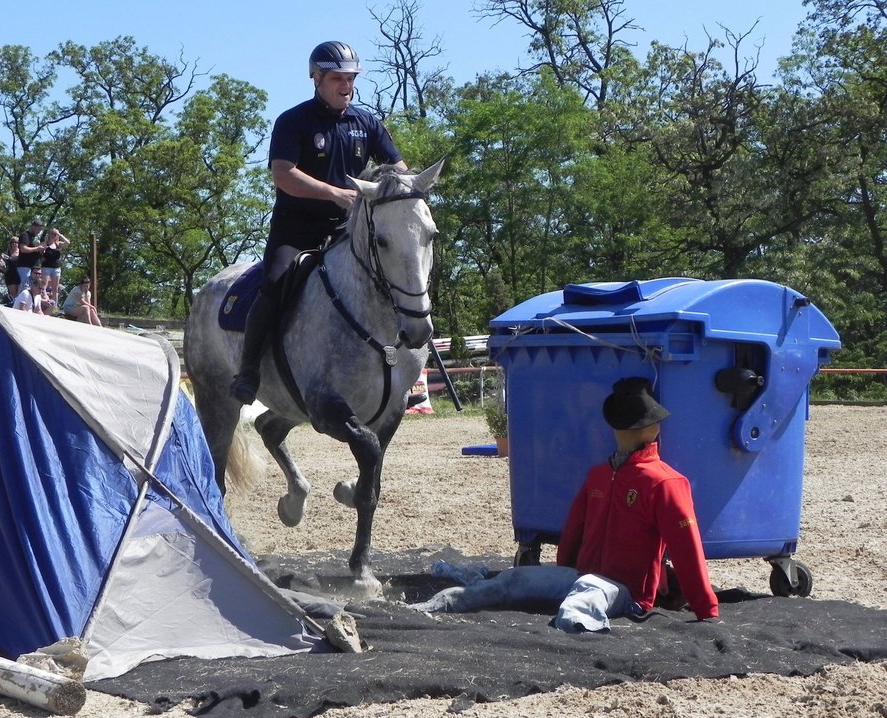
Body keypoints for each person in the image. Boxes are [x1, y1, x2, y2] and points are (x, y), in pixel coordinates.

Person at [410, 377, 719, 632]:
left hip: (625, 592)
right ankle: (432, 607)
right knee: (511, 581)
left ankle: (561, 643)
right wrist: (562, 571)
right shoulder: (600, 476)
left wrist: (706, 608)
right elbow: (574, 529)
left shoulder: (664, 483)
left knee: (580, 604)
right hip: (579, 575)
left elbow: (686, 547)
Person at [229, 40, 407, 405]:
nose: (347, 85)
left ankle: (402, 360)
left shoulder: (367, 122)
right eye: (338, 78)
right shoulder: (293, 121)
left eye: (351, 78)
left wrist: (402, 191)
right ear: (317, 78)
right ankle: (248, 371)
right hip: (297, 232)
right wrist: (334, 193)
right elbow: (283, 175)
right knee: (274, 284)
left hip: (348, 232)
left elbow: (398, 169)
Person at [41, 227, 70, 298]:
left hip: (56, 268)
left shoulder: (58, 244)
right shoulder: (45, 244)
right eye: (52, 234)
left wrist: (59, 234)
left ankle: (54, 306)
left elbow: (67, 243)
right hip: (46, 267)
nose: (53, 235)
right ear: (49, 234)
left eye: (55, 234)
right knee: (43, 287)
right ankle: (43, 302)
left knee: (55, 289)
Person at [16, 219, 45, 285]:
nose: (39, 231)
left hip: (33, 267)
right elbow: (23, 249)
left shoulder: (35, 238)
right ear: (34, 227)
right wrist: (37, 248)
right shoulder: (25, 235)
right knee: (24, 286)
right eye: (38, 229)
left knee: (32, 287)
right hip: (24, 266)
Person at [1, 236, 22, 302]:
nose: (14, 244)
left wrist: (9, 258)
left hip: (19, 273)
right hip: (10, 273)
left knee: (19, 292)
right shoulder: (7, 252)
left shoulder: (21, 252)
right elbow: (2, 261)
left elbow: (15, 258)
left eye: (16, 242)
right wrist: (3, 264)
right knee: (13, 293)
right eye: (13, 242)